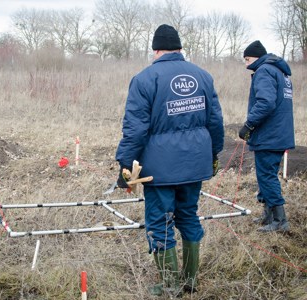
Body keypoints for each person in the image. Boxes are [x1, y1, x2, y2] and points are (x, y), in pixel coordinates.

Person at [115, 24, 224, 296]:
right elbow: (215, 122)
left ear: (156, 50)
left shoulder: (145, 79)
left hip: (159, 170)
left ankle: (171, 286)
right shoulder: (203, 76)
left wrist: (126, 164)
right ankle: (190, 282)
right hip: (195, 164)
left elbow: (135, 129)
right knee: (188, 215)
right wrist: (212, 155)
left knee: (160, 222)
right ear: (179, 48)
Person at [239, 40, 294, 233]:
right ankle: (268, 215)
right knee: (266, 175)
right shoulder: (281, 72)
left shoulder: (264, 71)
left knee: (267, 176)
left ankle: (280, 221)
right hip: (279, 133)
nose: (246, 64)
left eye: (247, 59)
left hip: (270, 135)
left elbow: (266, 103)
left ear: (256, 57)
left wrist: (249, 124)